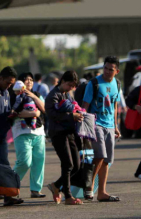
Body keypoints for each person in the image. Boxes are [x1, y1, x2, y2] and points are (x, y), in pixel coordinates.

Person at [82, 56, 122, 202]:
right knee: (100, 155)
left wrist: (116, 126)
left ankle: (102, 192)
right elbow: (85, 106)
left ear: (116, 71)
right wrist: (84, 128)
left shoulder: (117, 84)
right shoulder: (93, 83)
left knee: (107, 160)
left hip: (110, 125)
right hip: (96, 123)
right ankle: (89, 187)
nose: (107, 71)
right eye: (105, 68)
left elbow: (115, 106)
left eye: (110, 69)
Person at [0, 66, 23, 206]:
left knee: (4, 164)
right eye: (8, 82)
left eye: (11, 84)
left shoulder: (6, 92)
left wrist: (11, 114)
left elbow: (6, 110)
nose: (9, 86)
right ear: (0, 78)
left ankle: (8, 195)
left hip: (1, 136)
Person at [45, 71, 83, 205]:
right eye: (69, 85)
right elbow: (52, 115)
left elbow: (74, 108)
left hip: (70, 132)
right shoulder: (52, 96)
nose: (71, 88)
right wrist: (71, 116)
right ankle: (68, 196)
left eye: (73, 86)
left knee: (77, 166)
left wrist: (79, 114)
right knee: (68, 164)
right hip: (58, 133)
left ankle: (56, 186)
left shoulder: (67, 95)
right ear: (62, 81)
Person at [9, 72, 47, 199]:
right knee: (24, 162)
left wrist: (34, 97)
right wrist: (34, 114)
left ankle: (36, 190)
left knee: (38, 161)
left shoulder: (37, 95)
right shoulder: (14, 95)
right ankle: (9, 186)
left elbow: (44, 109)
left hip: (38, 132)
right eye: (26, 80)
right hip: (21, 132)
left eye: (31, 80)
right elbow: (16, 112)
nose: (29, 82)